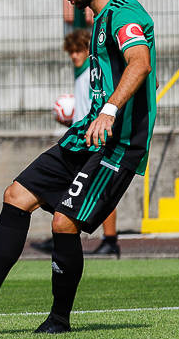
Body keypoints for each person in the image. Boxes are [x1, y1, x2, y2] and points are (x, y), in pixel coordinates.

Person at [0, 0, 156, 333]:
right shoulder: (96, 21)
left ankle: (59, 319)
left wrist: (111, 110)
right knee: (16, 195)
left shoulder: (124, 14)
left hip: (118, 143)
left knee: (64, 221)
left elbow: (140, 62)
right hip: (85, 137)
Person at [30, 28, 121, 257]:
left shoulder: (93, 72)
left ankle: (110, 240)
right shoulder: (82, 76)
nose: (74, 56)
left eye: (78, 50)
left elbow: (97, 106)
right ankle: (60, 236)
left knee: (101, 193)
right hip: (81, 141)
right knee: (69, 192)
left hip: (94, 142)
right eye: (71, 52)